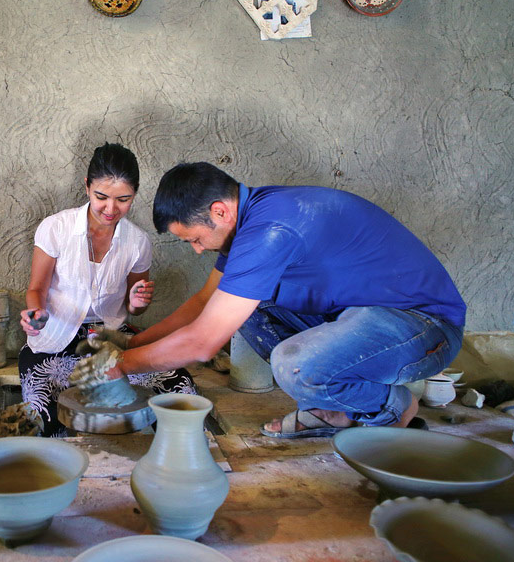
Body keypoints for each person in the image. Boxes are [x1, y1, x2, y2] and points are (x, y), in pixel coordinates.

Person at [71, 162, 466, 437]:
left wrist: (121, 367)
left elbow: (204, 341)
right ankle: (334, 410)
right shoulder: (251, 218)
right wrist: (133, 343)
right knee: (246, 308)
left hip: (423, 327)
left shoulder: (270, 230)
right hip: (362, 317)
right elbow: (205, 302)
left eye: (193, 239)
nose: (195, 250)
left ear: (219, 211)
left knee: (294, 366)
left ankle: (392, 406)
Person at [19, 143, 196, 436]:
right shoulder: (55, 228)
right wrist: (35, 311)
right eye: (101, 196)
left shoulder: (137, 242)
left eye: (123, 199)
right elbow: (36, 288)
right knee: (42, 415)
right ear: (87, 187)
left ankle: (158, 459)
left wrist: (138, 301)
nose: (111, 209)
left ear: (135, 194)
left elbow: (135, 306)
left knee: (181, 390)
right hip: (56, 338)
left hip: (112, 340)